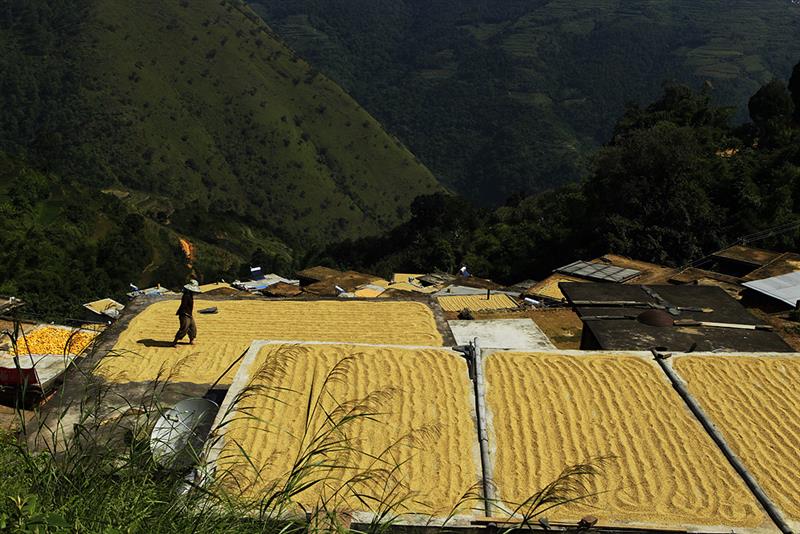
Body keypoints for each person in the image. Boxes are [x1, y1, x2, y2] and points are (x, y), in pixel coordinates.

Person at [173, 279, 201, 346]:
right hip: (184, 314)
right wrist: (182, 313)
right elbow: (183, 305)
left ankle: (192, 339)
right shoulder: (186, 296)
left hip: (189, 314)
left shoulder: (190, 295)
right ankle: (175, 342)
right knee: (184, 328)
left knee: (193, 328)